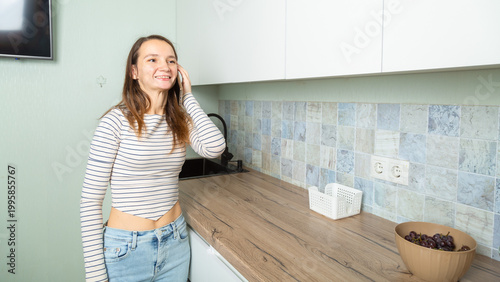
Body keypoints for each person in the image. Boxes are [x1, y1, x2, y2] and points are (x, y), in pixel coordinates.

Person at [80, 35, 226, 281]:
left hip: (176, 241)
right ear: (134, 71)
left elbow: (215, 147)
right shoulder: (115, 122)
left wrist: (188, 98)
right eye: (152, 59)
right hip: (126, 248)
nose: (164, 66)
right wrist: (96, 277)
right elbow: (90, 202)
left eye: (171, 60)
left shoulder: (179, 121)